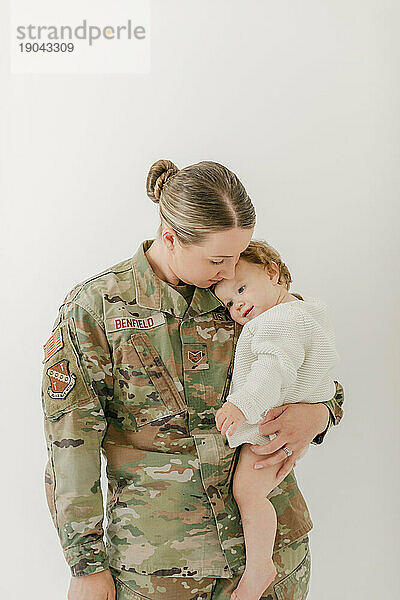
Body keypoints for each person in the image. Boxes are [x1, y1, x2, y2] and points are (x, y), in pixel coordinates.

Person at [41, 159, 345, 600]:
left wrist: (321, 412)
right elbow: (70, 444)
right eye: (218, 259)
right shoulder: (96, 310)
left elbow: (311, 365)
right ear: (171, 238)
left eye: (239, 255)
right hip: (159, 567)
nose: (230, 271)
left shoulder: (245, 291)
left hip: (271, 555)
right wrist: (85, 566)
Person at [213, 240, 339, 600]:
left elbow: (272, 372)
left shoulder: (277, 323)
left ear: (272, 273)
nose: (238, 305)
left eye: (241, 289)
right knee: (254, 492)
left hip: (267, 426)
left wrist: (240, 405)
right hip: (287, 420)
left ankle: (258, 570)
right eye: (229, 303)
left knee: (248, 493)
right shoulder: (308, 311)